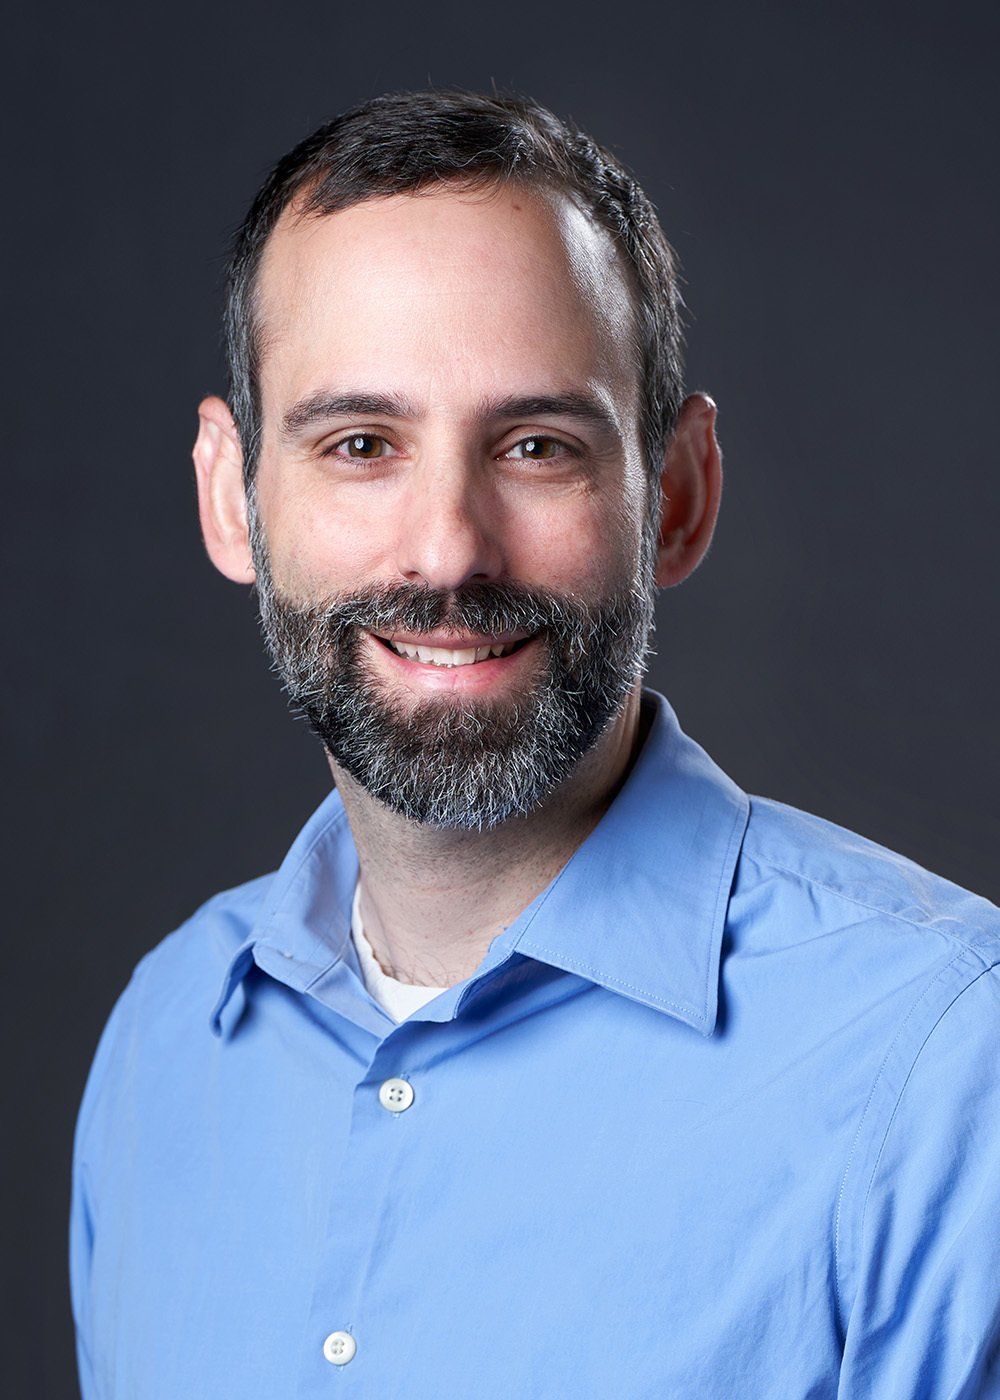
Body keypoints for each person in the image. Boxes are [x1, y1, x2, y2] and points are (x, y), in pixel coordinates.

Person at [69, 88, 1000, 1399]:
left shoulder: (954, 1074)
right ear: (233, 497)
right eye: (359, 444)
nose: (447, 548)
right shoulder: (165, 1044)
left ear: (674, 498)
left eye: (537, 446)